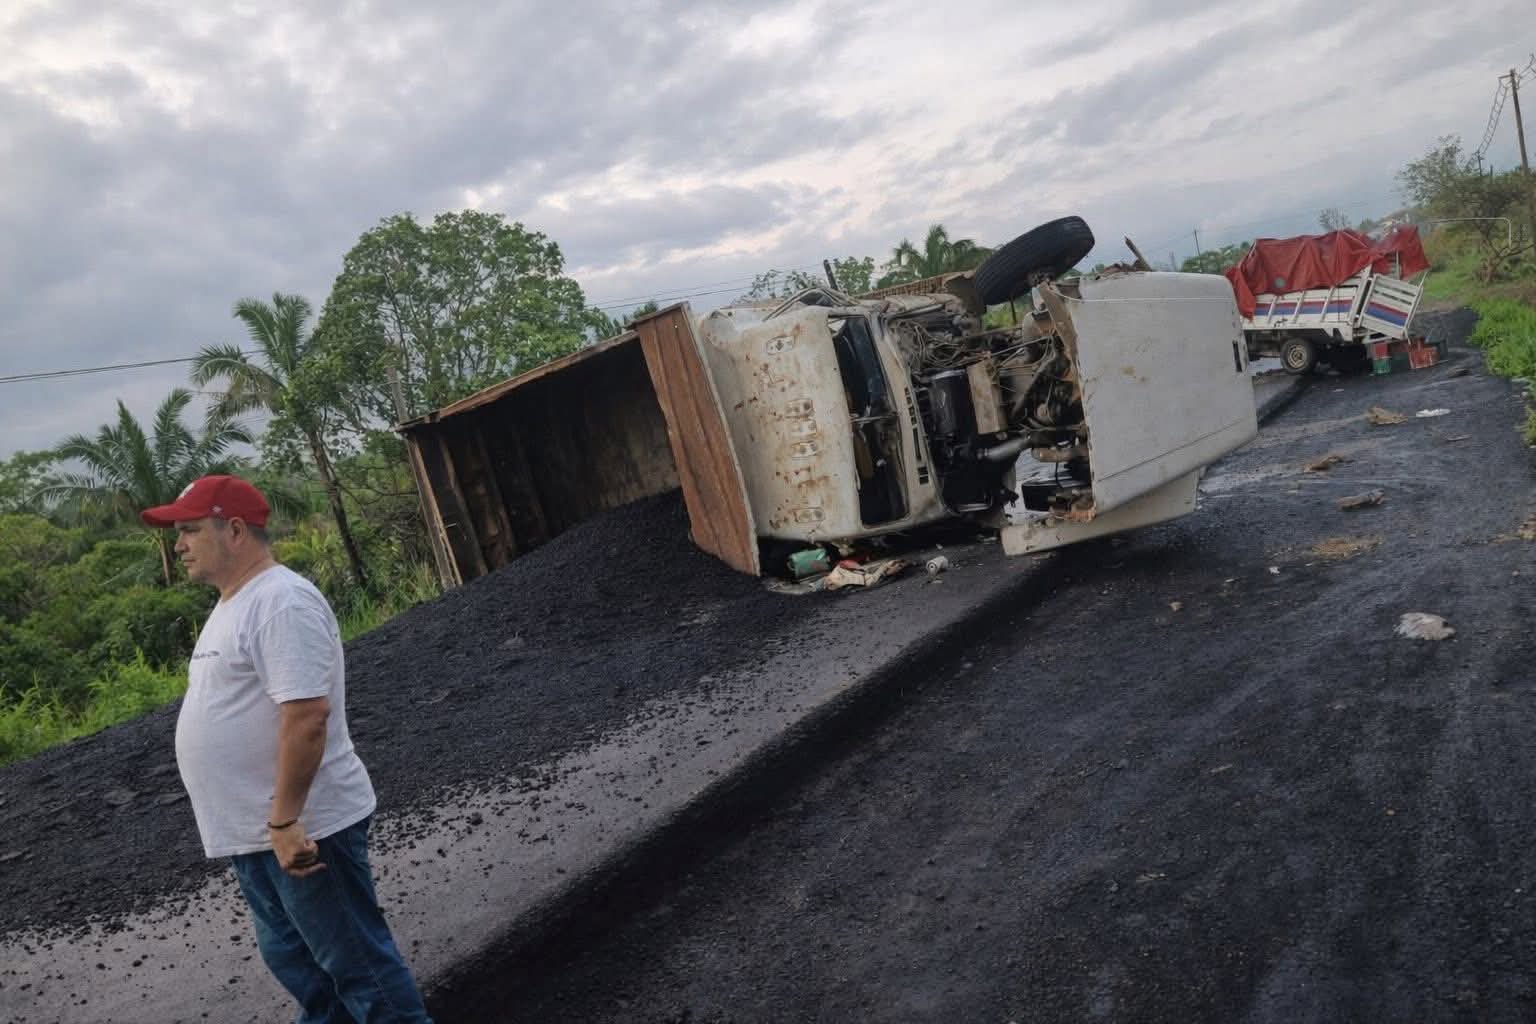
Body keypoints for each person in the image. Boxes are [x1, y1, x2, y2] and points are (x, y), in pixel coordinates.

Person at [142, 475, 433, 1023]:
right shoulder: (235, 603)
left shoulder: (280, 601)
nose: (178, 545)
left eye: (190, 530)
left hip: (301, 830)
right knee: (309, 977)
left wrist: (284, 821)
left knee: (361, 973)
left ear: (234, 531)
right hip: (259, 835)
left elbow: (306, 718)